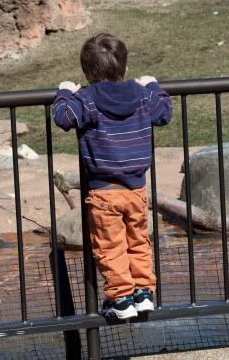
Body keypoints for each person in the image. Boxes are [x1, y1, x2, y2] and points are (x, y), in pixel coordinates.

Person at [52, 33, 173, 322]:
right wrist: (153, 85)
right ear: (126, 68)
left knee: (110, 247)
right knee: (139, 241)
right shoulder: (143, 95)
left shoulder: (87, 99)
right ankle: (143, 292)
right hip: (136, 188)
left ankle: (119, 298)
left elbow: (63, 117)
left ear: (86, 73)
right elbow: (164, 112)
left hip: (104, 191)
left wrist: (65, 92)